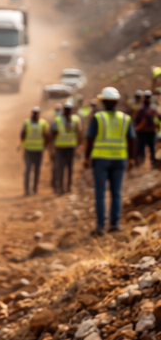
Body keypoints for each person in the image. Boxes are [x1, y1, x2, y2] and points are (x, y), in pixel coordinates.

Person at [88, 85, 135, 235]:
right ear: (116, 101)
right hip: (119, 159)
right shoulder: (125, 118)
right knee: (116, 193)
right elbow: (132, 139)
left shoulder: (98, 117)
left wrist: (86, 157)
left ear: (103, 101)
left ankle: (100, 226)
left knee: (100, 193)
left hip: (101, 159)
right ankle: (115, 223)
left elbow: (90, 138)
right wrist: (132, 158)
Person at [51, 101, 80, 195]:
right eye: (66, 109)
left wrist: (79, 145)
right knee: (60, 168)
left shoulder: (75, 119)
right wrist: (51, 147)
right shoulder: (58, 119)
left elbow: (79, 132)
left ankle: (68, 187)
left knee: (70, 168)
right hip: (60, 147)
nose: (68, 111)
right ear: (64, 110)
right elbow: (53, 133)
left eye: (69, 109)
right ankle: (60, 187)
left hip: (70, 147)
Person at [19, 106, 49, 196]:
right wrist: (23, 144)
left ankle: (34, 189)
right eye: (34, 113)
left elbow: (47, 135)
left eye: (37, 113)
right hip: (29, 150)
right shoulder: (27, 122)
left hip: (38, 150)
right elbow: (22, 134)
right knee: (28, 169)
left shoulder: (43, 123)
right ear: (32, 113)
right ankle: (27, 190)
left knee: (36, 170)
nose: (35, 114)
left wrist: (45, 145)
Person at [138, 91, 159, 169]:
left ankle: (153, 165)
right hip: (142, 132)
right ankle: (141, 164)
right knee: (141, 148)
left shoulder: (154, 109)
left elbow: (159, 119)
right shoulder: (140, 109)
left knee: (152, 148)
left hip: (151, 132)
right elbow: (137, 121)